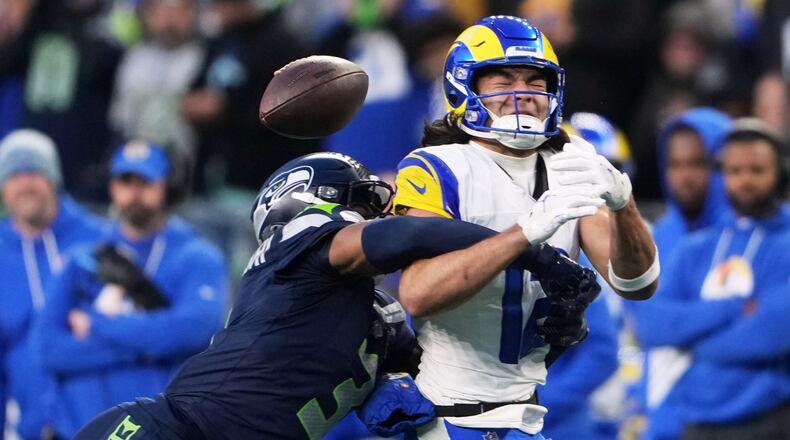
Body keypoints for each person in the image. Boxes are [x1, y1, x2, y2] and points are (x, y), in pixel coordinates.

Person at [73, 151, 600, 440]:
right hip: (172, 431)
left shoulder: (370, 314)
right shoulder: (300, 241)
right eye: (372, 201)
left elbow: (458, 375)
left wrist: (554, 332)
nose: (386, 211)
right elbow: (409, 236)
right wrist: (535, 252)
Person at [393, 15, 659, 438]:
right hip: (447, 417)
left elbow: (637, 283)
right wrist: (522, 236)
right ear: (466, 87)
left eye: (536, 82)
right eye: (503, 80)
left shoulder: (570, 162)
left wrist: (624, 205)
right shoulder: (437, 167)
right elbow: (419, 294)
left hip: (525, 417)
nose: (523, 94)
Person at [36, 140, 228, 438]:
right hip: (79, 429)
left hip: (154, 431)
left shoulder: (197, 256)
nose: (134, 190)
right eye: (125, 180)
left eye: (145, 180)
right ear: (112, 187)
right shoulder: (82, 257)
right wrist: (150, 349)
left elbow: (193, 332)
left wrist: (98, 323)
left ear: (167, 186)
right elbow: (49, 349)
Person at [631, 118, 790, 440]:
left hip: (768, 418)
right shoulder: (698, 246)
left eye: (756, 171)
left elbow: (770, 335)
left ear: (780, 173)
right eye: (734, 171)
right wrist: (733, 309)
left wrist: (690, 341)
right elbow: (650, 323)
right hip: (695, 420)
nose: (745, 181)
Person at [624, 107, 731, 440]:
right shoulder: (654, 237)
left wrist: (682, 321)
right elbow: (650, 324)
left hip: (735, 419)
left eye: (699, 163)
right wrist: (732, 310)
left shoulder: (752, 236)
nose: (685, 176)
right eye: (675, 164)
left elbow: (763, 334)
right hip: (662, 423)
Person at [0, 129, 105, 439]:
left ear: (53, 178)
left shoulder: (99, 239)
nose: (24, 183)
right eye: (13, 174)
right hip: (27, 426)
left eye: (34, 170)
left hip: (97, 419)